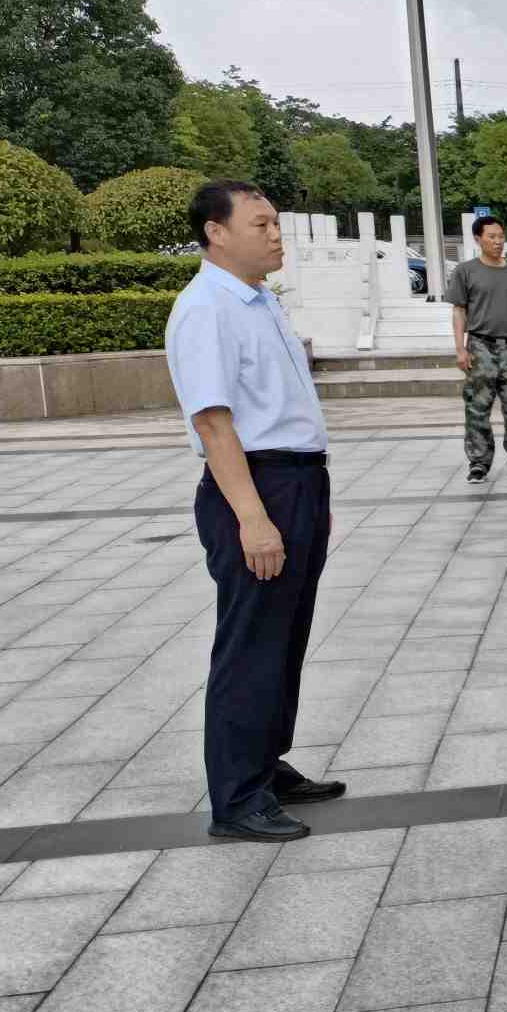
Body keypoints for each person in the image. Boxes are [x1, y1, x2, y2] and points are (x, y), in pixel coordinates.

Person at [165, 180, 346, 844]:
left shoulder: (257, 298)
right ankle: (238, 797)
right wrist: (253, 517)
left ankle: (265, 765)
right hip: (256, 487)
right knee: (251, 644)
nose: (276, 234)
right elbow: (214, 423)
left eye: (277, 223)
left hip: (295, 482)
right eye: (261, 223)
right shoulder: (206, 307)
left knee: (285, 636)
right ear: (216, 232)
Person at [448, 216, 507, 484]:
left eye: (501, 236)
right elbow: (458, 311)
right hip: (480, 346)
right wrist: (460, 349)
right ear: (478, 239)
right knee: (478, 408)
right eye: (492, 236)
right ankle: (478, 463)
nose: (498, 241)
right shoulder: (466, 271)